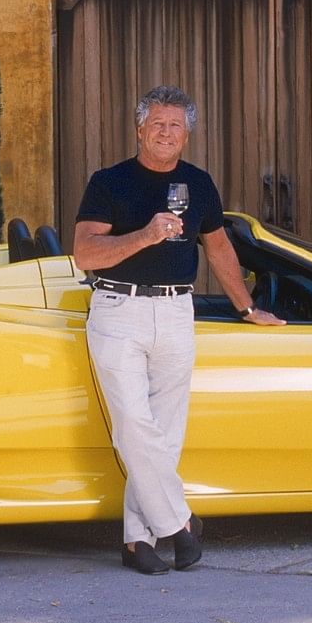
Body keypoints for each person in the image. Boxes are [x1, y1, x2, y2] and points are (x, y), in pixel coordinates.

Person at [73, 85, 284, 575]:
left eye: (176, 126)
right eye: (157, 124)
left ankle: (137, 541)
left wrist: (248, 307)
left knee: (166, 432)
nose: (166, 133)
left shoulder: (199, 182)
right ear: (139, 129)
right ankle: (180, 524)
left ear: (186, 135)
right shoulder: (110, 182)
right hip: (117, 309)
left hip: (174, 311)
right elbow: (85, 254)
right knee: (134, 424)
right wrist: (148, 233)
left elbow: (219, 250)